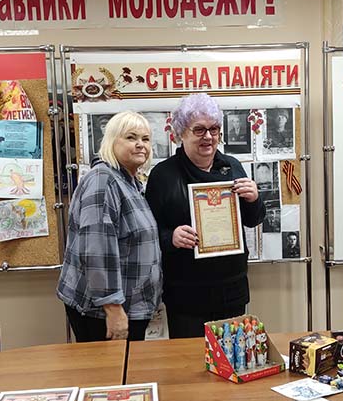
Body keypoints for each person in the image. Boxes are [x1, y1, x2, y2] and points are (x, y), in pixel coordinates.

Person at [146, 93, 265, 339]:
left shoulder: (233, 166)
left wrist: (254, 198)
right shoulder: (163, 175)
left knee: (232, 354)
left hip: (231, 288)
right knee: (189, 358)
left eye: (214, 129)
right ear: (181, 133)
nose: (208, 136)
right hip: (186, 294)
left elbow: (253, 219)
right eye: (199, 130)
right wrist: (171, 237)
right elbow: (148, 234)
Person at [57, 111, 162, 343]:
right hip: (102, 312)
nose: (140, 144)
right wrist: (112, 308)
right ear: (112, 141)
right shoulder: (103, 180)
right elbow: (97, 249)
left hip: (129, 306)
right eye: (131, 137)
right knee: (109, 368)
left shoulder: (129, 182)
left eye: (145, 139)